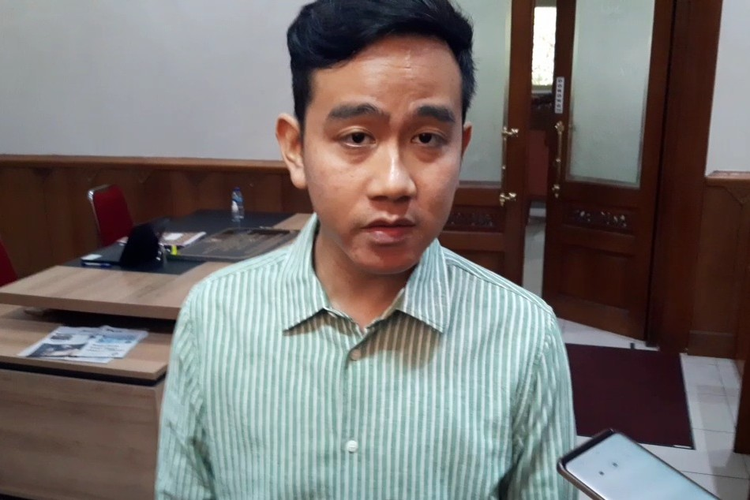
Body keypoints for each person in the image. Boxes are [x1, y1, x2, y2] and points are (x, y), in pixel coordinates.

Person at [156, 0, 576, 498]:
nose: (394, 184)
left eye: (427, 138)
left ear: (460, 148)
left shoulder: (524, 337)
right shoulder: (214, 318)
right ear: (295, 149)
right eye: (357, 137)